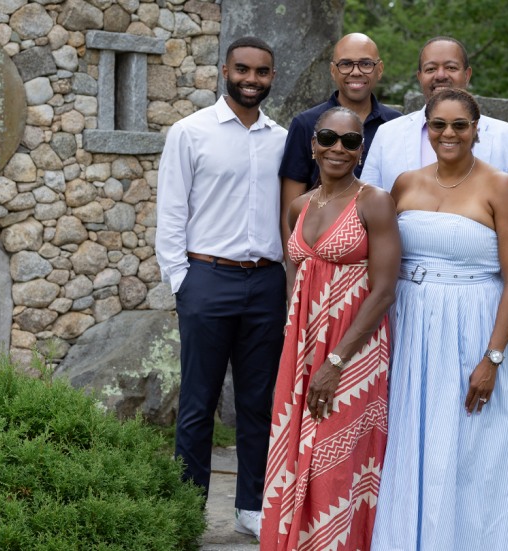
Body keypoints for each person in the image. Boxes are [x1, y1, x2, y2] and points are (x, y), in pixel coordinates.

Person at [371, 88, 508, 550]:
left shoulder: (501, 186)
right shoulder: (405, 183)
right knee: (411, 440)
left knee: (475, 448)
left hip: (475, 324)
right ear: (427, 129)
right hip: (412, 327)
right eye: (439, 125)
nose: (449, 133)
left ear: (476, 130)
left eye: (460, 125)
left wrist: (493, 356)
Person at [156, 36, 287, 539]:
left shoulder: (283, 138)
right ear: (225, 70)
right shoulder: (190, 133)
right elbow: (171, 211)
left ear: (272, 76)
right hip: (207, 278)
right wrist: (182, 282)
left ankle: (251, 507)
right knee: (197, 403)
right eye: (243, 70)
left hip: (266, 282)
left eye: (262, 71)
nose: (252, 79)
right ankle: (187, 510)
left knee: (259, 403)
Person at [260, 107, 401, 550]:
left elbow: (383, 291)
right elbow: (295, 275)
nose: (339, 147)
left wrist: (337, 360)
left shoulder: (374, 202)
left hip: (354, 352)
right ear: (313, 145)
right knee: (296, 449)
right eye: (329, 137)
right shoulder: (299, 207)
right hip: (302, 347)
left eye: (351, 141)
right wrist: (295, 339)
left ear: (361, 151)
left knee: (337, 461)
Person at [361, 37, 508, 207]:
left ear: (467, 75)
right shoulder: (387, 135)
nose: (441, 75)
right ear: (419, 77)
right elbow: (365, 206)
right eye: (430, 69)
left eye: (451, 67)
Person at [279, 33, 402, 247]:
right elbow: (290, 207)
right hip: (319, 249)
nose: (356, 72)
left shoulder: (396, 126)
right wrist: (295, 271)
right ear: (333, 70)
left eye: (365, 64)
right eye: (346, 64)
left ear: (379, 70)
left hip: (385, 247)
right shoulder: (306, 124)